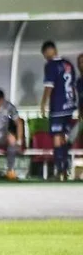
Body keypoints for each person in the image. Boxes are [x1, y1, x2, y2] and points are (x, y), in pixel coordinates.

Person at [40, 41, 79, 181]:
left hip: (58, 107)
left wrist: (43, 103)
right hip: (70, 106)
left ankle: (60, 170)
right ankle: (64, 169)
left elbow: (49, 86)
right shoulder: (68, 64)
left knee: (57, 138)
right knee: (64, 138)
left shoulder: (50, 65)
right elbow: (73, 86)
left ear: (47, 52)